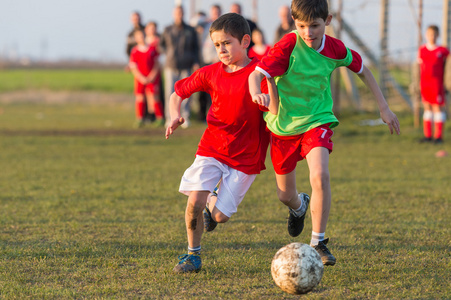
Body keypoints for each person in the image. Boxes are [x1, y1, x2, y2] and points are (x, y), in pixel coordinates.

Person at [249, 0, 400, 266]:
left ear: (327, 21)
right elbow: (256, 74)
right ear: (294, 23)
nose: (308, 33)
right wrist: (255, 93)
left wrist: (384, 108)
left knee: (320, 175)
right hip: (283, 125)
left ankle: (318, 242)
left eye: (315, 26)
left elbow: (364, 70)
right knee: (285, 194)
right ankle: (299, 206)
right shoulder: (287, 45)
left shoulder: (335, 49)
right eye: (302, 26)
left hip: (317, 120)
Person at [165, 13, 277, 273]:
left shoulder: (262, 72)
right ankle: (193, 255)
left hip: (247, 156)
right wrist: (174, 116)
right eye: (216, 45)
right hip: (212, 148)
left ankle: (213, 203)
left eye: (227, 43)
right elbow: (177, 93)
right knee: (194, 201)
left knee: (219, 217)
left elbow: (277, 106)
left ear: (245, 40)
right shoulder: (211, 73)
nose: (221, 50)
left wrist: (269, 98)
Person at [160, 6, 200, 128]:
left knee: (186, 93)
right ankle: (170, 117)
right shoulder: (167, 29)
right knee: (169, 93)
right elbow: (161, 45)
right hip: (171, 65)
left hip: (186, 65)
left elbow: (196, 48)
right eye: (177, 13)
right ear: (173, 14)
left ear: (184, 14)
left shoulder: (190, 30)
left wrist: (196, 61)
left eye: (181, 13)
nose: (179, 15)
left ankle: (185, 117)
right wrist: (168, 53)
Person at [418, 25, 450, 144]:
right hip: (425, 84)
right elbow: (419, 68)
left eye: (434, 34)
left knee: (437, 108)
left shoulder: (442, 50)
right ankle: (428, 136)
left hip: (437, 84)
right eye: (429, 34)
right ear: (426, 35)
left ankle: (439, 137)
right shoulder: (422, 50)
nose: (431, 37)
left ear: (438, 35)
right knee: (427, 107)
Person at [129, 29, 163, 128]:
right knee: (140, 97)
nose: (141, 37)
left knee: (155, 97)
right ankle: (140, 119)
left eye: (142, 35)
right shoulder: (135, 51)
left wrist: (152, 75)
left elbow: (157, 64)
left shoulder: (152, 48)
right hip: (140, 78)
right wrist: (141, 77)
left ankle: (160, 118)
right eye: (139, 36)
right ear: (136, 38)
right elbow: (133, 67)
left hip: (152, 78)